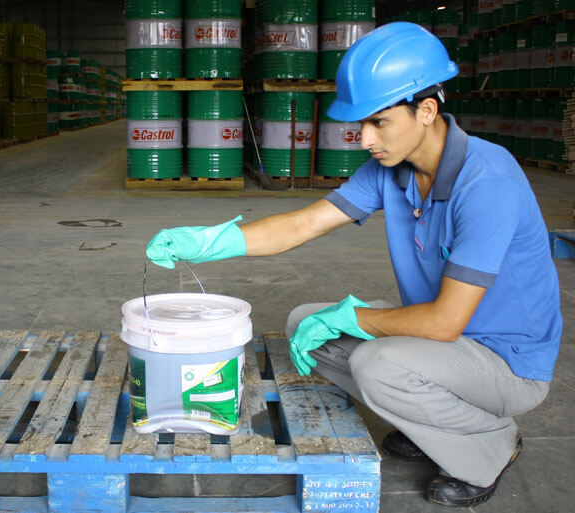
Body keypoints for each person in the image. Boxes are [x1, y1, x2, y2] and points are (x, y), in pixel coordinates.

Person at [145, 22, 562, 508]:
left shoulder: (487, 183)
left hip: (508, 364)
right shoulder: (392, 169)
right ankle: (431, 424)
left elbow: (446, 322)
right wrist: (210, 241)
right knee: (306, 322)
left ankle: (491, 444)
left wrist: (353, 318)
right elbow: (302, 225)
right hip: (453, 346)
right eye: (359, 124)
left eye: (378, 122)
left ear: (426, 111)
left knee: (377, 364)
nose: (363, 139)